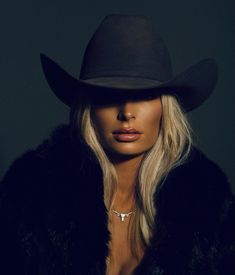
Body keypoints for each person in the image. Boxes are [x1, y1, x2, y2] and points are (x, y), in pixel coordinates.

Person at [0, 14, 235, 275]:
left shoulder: (208, 205)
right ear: (88, 108)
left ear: (165, 108)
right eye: (109, 95)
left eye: (144, 95)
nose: (126, 113)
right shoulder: (31, 194)